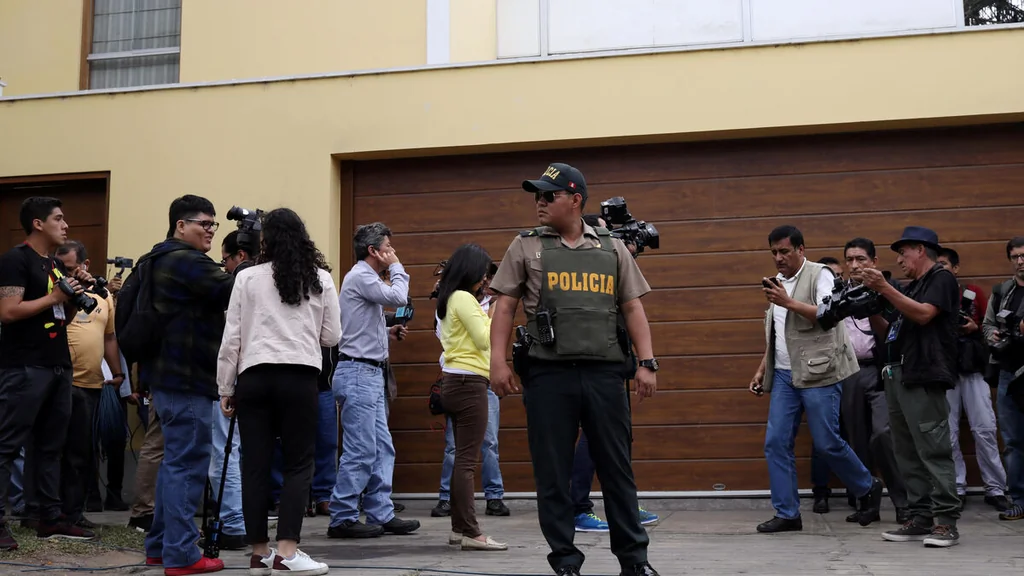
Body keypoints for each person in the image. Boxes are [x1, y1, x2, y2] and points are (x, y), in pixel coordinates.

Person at [489, 163, 660, 576]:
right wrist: (497, 361)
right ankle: (565, 562)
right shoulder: (525, 246)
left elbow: (632, 307)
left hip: (605, 374)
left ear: (576, 200)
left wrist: (647, 362)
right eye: (537, 196)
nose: (540, 202)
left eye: (549, 195)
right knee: (552, 473)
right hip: (549, 375)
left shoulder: (612, 248)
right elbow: (505, 306)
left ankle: (635, 562)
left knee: (617, 470)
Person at [218, 208, 339, 575]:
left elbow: (232, 337)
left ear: (264, 241)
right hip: (299, 377)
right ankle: (287, 551)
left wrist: (225, 386)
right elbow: (332, 336)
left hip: (253, 376)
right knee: (299, 463)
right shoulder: (319, 278)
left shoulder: (246, 277)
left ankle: (259, 553)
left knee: (254, 464)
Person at [750, 226, 883, 534]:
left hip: (819, 372)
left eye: (784, 251)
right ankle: (787, 513)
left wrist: (787, 302)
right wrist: (762, 368)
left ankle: (867, 486)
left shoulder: (819, 274)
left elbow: (828, 315)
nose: (778, 258)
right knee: (775, 443)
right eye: (774, 252)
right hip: (784, 375)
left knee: (827, 443)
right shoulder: (779, 283)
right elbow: (779, 333)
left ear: (801, 249)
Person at [141, 195, 234, 574]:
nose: (211, 231)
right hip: (188, 378)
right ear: (181, 225)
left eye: (214, 225)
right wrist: (249, 264)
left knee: (174, 464)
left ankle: (160, 546)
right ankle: (181, 554)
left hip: (166, 378)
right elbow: (234, 290)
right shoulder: (186, 261)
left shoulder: (155, 258)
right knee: (189, 465)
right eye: (204, 224)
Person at [853, 226, 961, 547]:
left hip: (924, 374)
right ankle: (920, 517)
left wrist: (885, 288)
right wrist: (871, 307)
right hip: (897, 373)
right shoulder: (912, 287)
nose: (899, 260)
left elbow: (925, 315)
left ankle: (946, 522)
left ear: (921, 249)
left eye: (903, 252)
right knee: (906, 452)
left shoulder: (941, 278)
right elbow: (891, 331)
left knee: (933, 448)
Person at [0, 197, 97, 551]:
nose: (66, 225)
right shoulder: (15, 260)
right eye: (58, 219)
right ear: (38, 224)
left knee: (51, 446)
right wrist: (55, 296)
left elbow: (61, 317)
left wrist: (72, 297)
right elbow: (8, 311)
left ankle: (48, 517)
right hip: (24, 366)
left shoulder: (54, 265)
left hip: (57, 364)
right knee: (7, 444)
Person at [327, 223, 419, 538]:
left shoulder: (365, 279)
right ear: (373, 251)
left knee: (381, 447)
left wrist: (388, 331)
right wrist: (397, 267)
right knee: (361, 448)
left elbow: (363, 321)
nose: (392, 251)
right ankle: (342, 516)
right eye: (388, 247)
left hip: (368, 373)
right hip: (358, 374)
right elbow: (399, 296)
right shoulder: (361, 276)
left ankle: (381, 511)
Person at [435, 243, 507, 551]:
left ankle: (458, 528)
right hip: (469, 383)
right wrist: (496, 309)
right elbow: (484, 338)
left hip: (455, 381)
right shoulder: (463, 298)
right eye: (484, 274)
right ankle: (471, 532)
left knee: (461, 459)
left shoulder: (450, 297)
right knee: (466, 462)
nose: (485, 280)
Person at [54, 240, 125, 529]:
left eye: (71, 268)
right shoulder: (56, 291)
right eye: (60, 268)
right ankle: (47, 512)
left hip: (92, 384)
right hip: (59, 381)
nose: (65, 274)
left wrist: (118, 373)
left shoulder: (104, 297)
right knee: (54, 450)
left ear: (85, 265)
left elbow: (109, 337)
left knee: (81, 451)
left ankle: (73, 512)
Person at [936, 247, 1011, 512]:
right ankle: (956, 487)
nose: (940, 269)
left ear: (955, 268)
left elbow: (991, 328)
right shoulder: (931, 295)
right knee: (948, 434)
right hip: (944, 371)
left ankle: (996, 488)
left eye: (944, 264)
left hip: (973, 369)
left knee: (985, 428)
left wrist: (974, 328)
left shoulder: (972, 293)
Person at [982, 236, 1024, 522]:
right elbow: (987, 325)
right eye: (1015, 257)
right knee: (1013, 441)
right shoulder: (1002, 291)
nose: (1020, 262)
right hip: (1010, 372)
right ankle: (1018, 500)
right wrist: (993, 335)